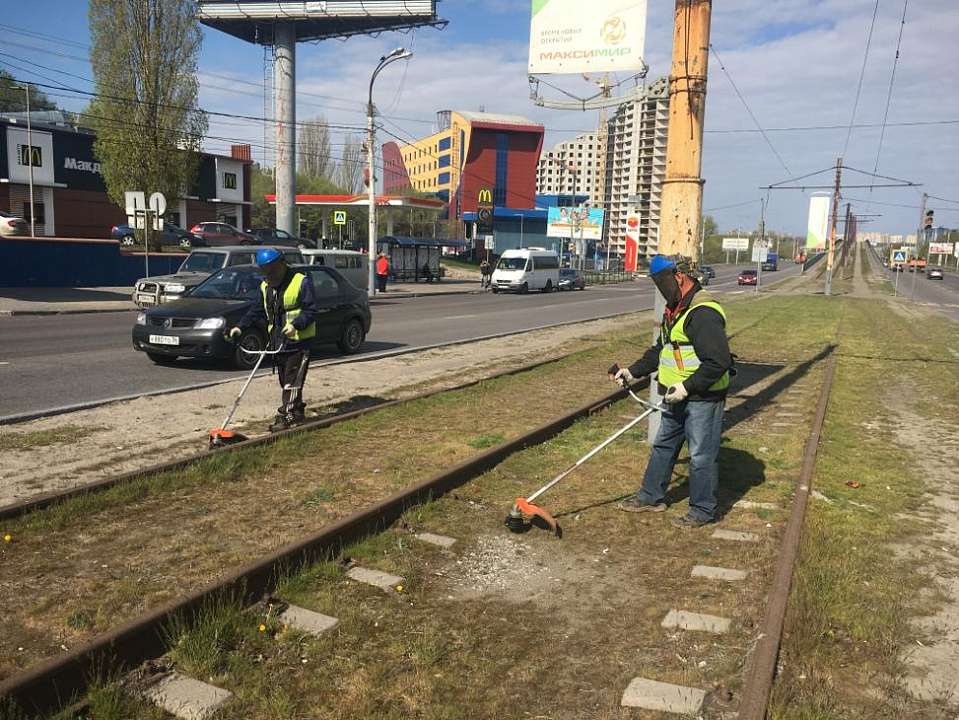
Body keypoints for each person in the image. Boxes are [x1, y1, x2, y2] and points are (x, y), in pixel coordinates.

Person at [611, 254, 732, 528]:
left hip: (703, 397)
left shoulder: (703, 313)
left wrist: (687, 387)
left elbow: (719, 362)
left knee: (701, 454)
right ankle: (651, 497)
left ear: (679, 277)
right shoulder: (675, 309)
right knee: (663, 445)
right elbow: (663, 350)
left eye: (663, 283)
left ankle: (702, 510)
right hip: (676, 395)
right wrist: (632, 371)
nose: (661, 290)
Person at [228, 248, 319, 432]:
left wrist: (296, 324)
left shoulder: (301, 282)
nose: (269, 274)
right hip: (278, 342)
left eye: (273, 269)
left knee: (291, 382)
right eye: (265, 270)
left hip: (299, 342)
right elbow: (256, 310)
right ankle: (297, 410)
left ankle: (287, 416)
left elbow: (311, 310)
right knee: (286, 380)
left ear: (282, 265)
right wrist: (240, 326)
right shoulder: (265, 286)